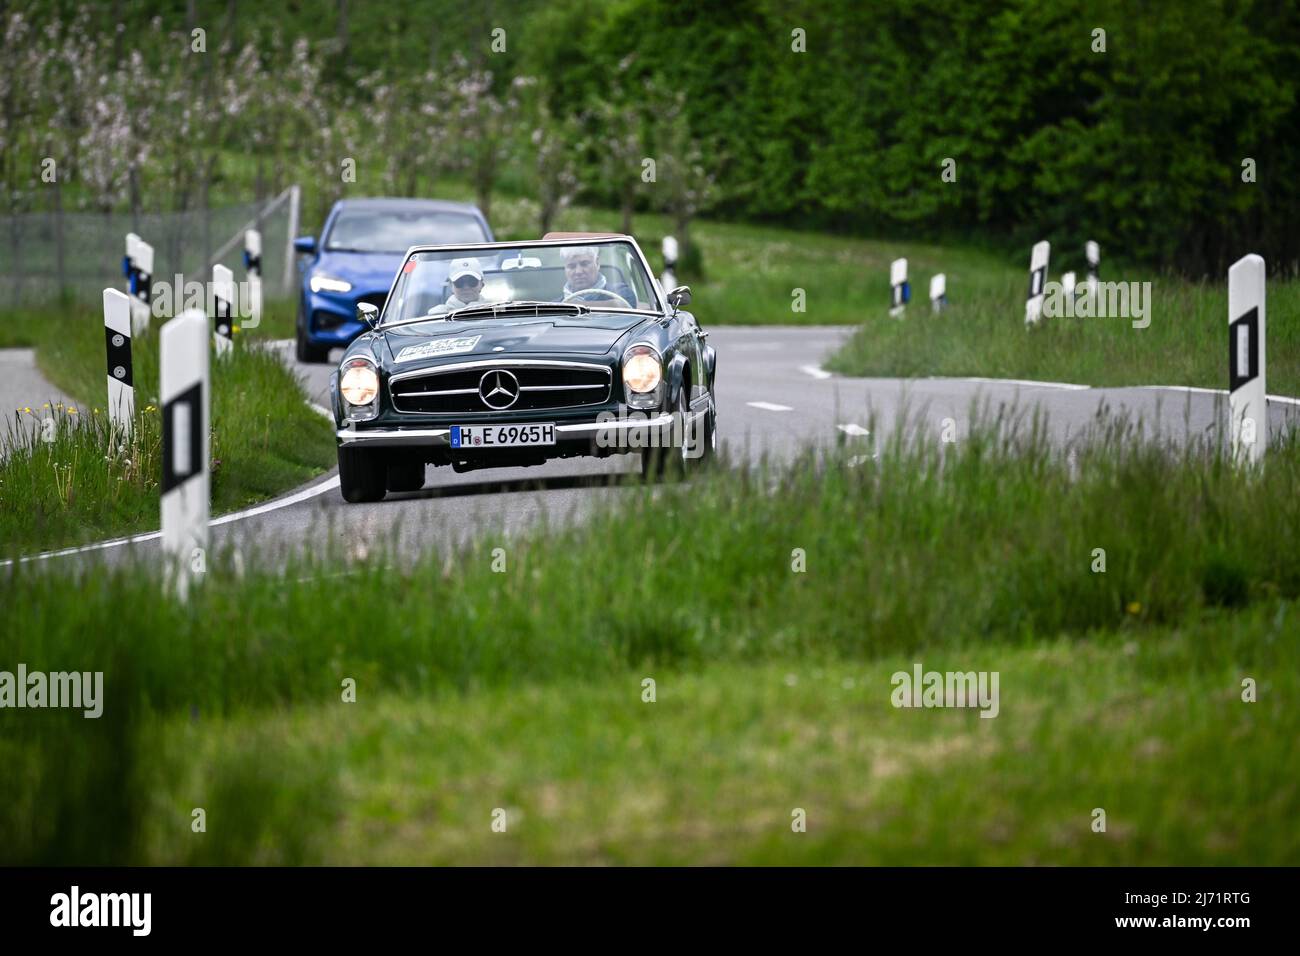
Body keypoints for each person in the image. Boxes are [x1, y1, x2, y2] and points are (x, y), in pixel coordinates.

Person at [558, 246, 636, 306]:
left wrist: (569, 307)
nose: (578, 271)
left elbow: (623, 305)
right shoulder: (554, 304)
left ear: (597, 263)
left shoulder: (621, 293)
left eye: (584, 264)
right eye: (571, 266)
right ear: (565, 269)